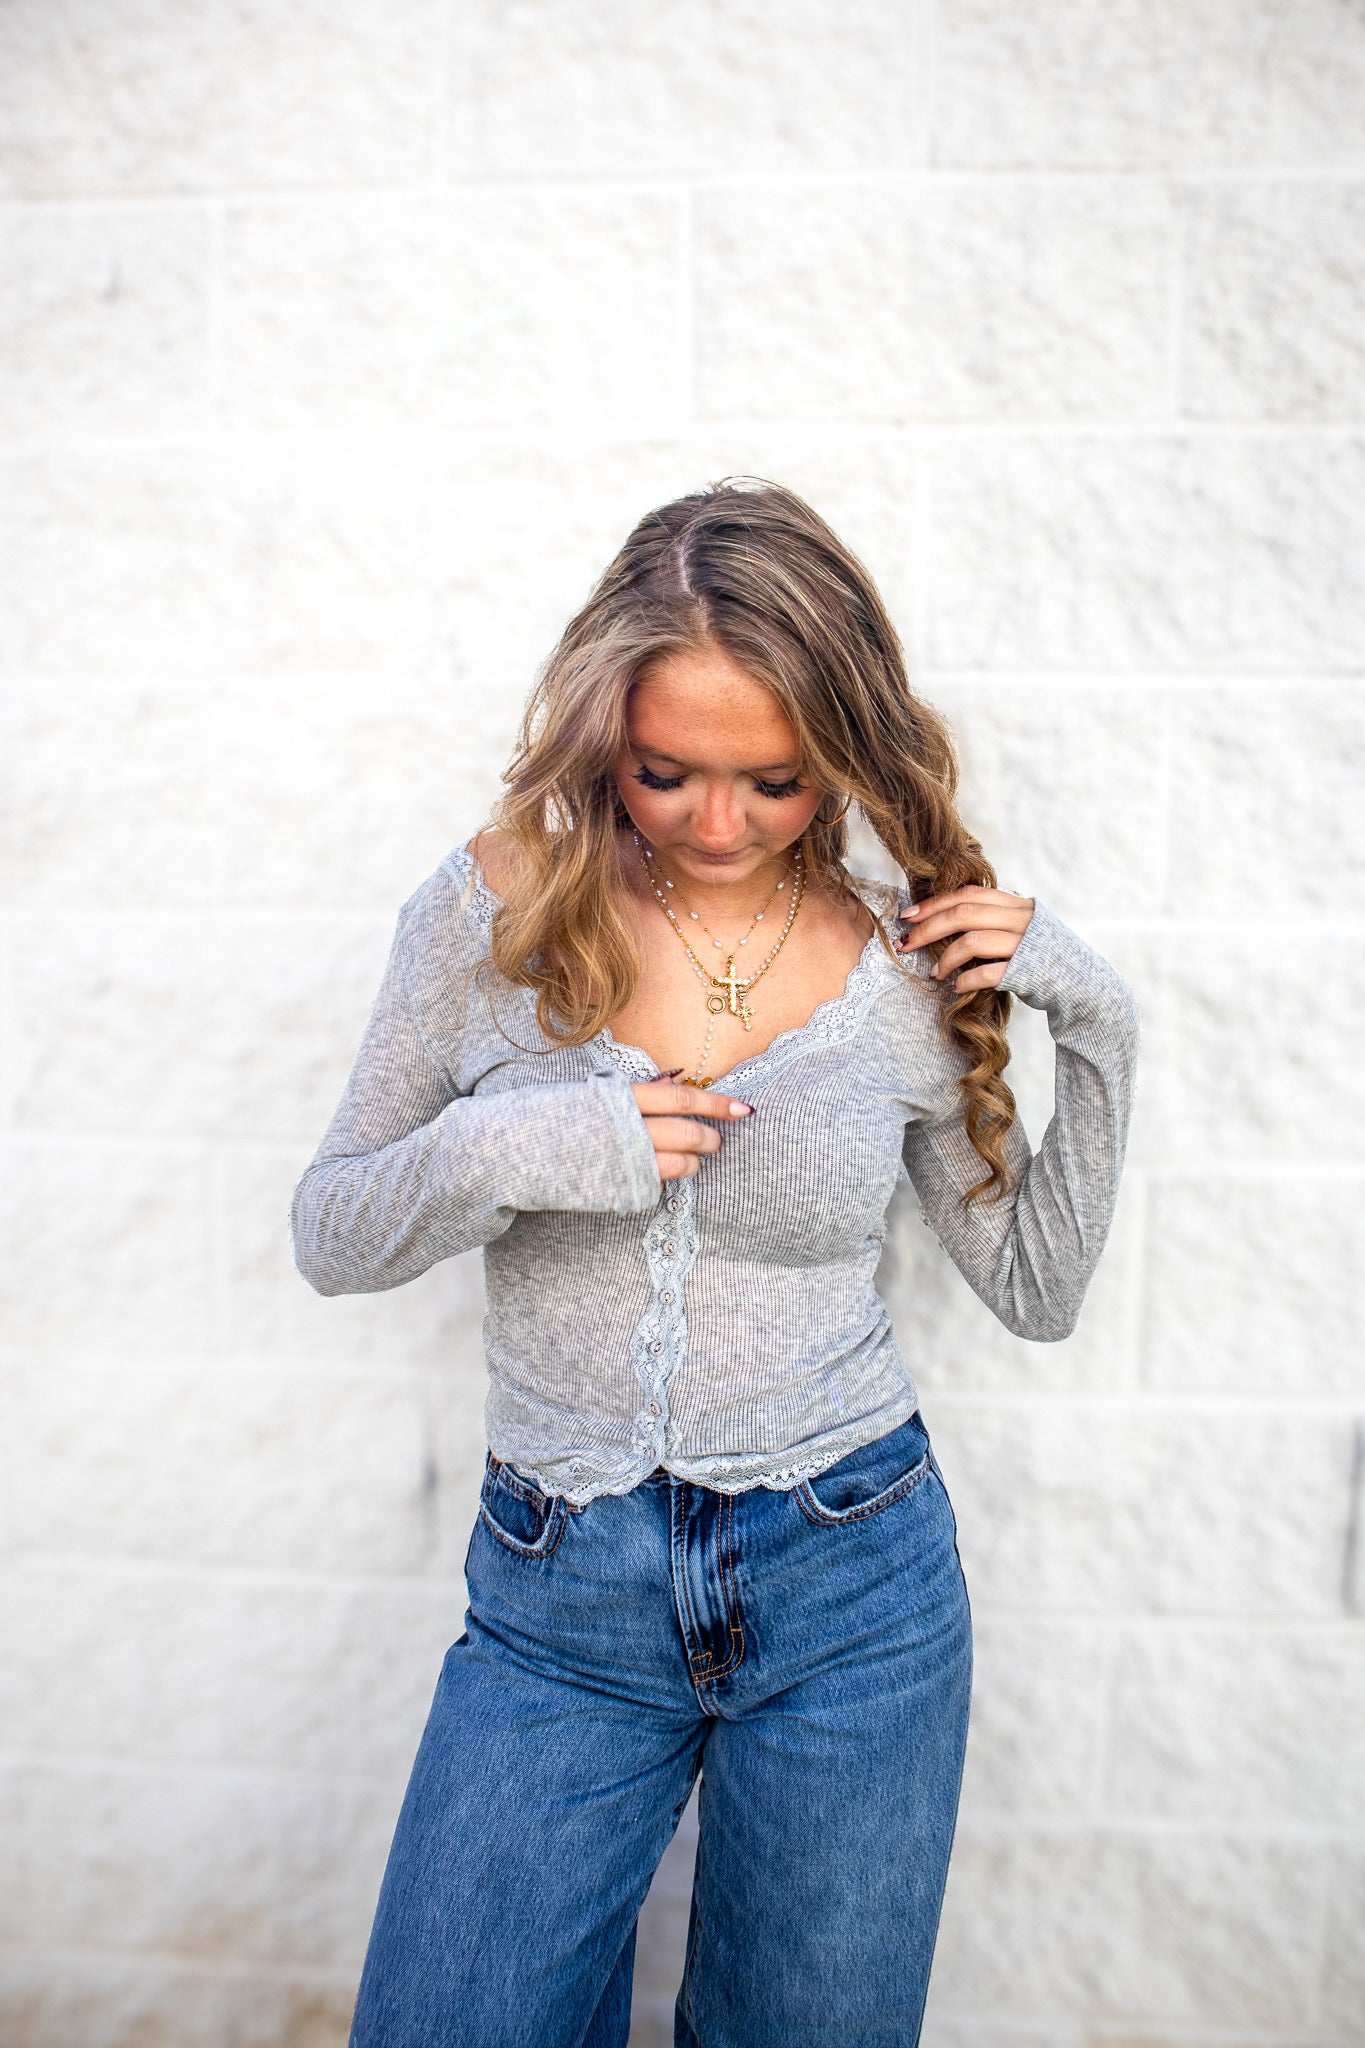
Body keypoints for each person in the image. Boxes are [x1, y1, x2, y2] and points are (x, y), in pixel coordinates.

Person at [291, 478, 1139, 2048]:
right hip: (559, 1601)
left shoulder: (898, 960)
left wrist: (1092, 1016)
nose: (718, 823)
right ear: (602, 720)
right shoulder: (493, 912)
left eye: (775, 781)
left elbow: (1036, 1288)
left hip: (852, 1585)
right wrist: (526, 1144)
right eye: (666, 771)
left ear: (843, 747)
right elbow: (332, 1230)